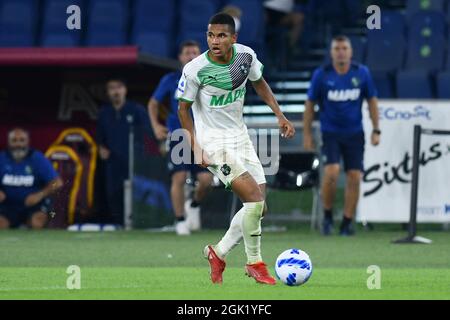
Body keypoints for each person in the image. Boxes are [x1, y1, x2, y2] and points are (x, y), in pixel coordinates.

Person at [177, 13, 295, 285]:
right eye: (210, 35)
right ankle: (255, 263)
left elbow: (260, 83)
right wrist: (195, 147)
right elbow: (182, 109)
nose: (214, 41)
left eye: (220, 36)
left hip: (240, 138)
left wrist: (280, 115)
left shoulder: (246, 57)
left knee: (260, 208)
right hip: (213, 143)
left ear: (233, 38)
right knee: (253, 200)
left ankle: (217, 253)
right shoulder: (195, 69)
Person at [303, 35, 380, 236]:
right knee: (332, 173)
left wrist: (376, 129)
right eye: (337, 48)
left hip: (355, 133)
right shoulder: (322, 75)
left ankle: (347, 221)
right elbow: (310, 105)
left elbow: (372, 101)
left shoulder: (361, 73)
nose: (341, 52)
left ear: (351, 51)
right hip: (330, 133)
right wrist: (307, 134)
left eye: (344, 48)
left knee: (355, 176)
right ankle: (327, 216)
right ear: (331, 52)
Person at [148, 41, 213, 236]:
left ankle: (194, 205)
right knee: (179, 176)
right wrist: (156, 126)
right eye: (187, 53)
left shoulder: (209, 80)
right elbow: (153, 103)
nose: (191, 56)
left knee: (206, 180)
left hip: (202, 136)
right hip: (178, 135)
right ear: (180, 57)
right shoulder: (171, 80)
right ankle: (180, 220)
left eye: (195, 52)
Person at [97, 78, 151, 226]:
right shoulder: (104, 113)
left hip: (135, 161)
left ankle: (139, 224)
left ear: (125, 90)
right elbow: (100, 139)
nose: (116, 91)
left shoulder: (136, 110)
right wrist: (101, 148)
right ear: (108, 93)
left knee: (137, 194)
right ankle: (119, 225)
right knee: (114, 194)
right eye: (112, 88)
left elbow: (149, 134)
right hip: (113, 163)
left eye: (119, 87)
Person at [0, 128, 63, 229]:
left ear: (27, 141)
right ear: (9, 142)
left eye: (21, 140)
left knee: (37, 222)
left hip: (34, 207)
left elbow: (57, 183)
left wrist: (40, 194)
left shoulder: (37, 158)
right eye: (14, 141)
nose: (18, 144)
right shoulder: (2, 158)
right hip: (6, 207)